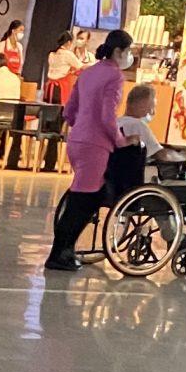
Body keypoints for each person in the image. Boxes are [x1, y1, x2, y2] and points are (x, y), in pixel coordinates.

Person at [45, 27, 134, 270]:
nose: (129, 56)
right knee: (82, 202)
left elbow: (69, 111)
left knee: (87, 196)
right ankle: (59, 253)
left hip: (77, 141)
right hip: (95, 144)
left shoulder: (88, 72)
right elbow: (107, 116)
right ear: (119, 51)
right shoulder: (114, 77)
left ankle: (64, 251)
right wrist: (120, 140)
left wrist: (82, 125)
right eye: (128, 51)